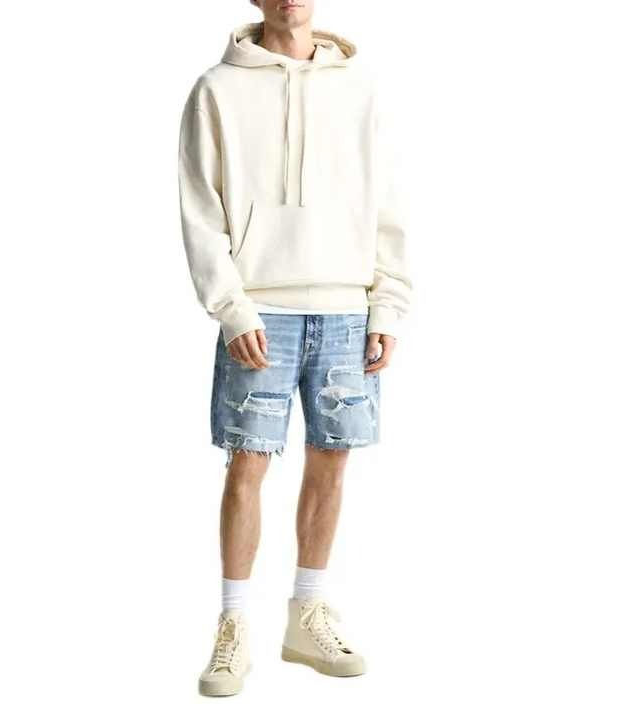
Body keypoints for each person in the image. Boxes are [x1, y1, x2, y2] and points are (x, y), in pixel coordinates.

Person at [177, 0, 412, 697]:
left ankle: (307, 613)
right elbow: (200, 208)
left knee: (332, 461)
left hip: (346, 307)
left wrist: (388, 303)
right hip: (260, 308)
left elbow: (387, 203)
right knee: (247, 463)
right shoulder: (217, 88)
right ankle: (233, 625)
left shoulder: (359, 88)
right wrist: (230, 306)